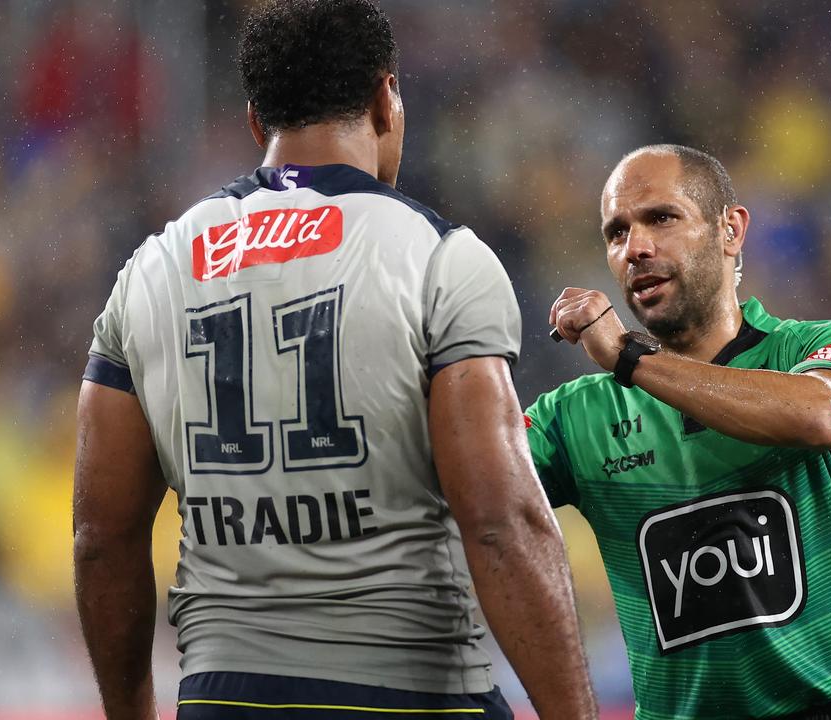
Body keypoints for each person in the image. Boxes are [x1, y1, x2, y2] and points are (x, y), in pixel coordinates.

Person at [72, 1, 596, 719]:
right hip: (411, 695)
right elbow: (502, 521)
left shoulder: (152, 270)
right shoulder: (441, 260)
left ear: (257, 121)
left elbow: (102, 537)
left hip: (226, 697)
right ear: (387, 99)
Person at [532, 144, 831, 720]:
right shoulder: (573, 417)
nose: (636, 248)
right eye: (616, 232)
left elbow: (821, 415)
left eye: (661, 217)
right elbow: (465, 474)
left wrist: (633, 361)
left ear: (730, 229)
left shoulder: (820, 346)